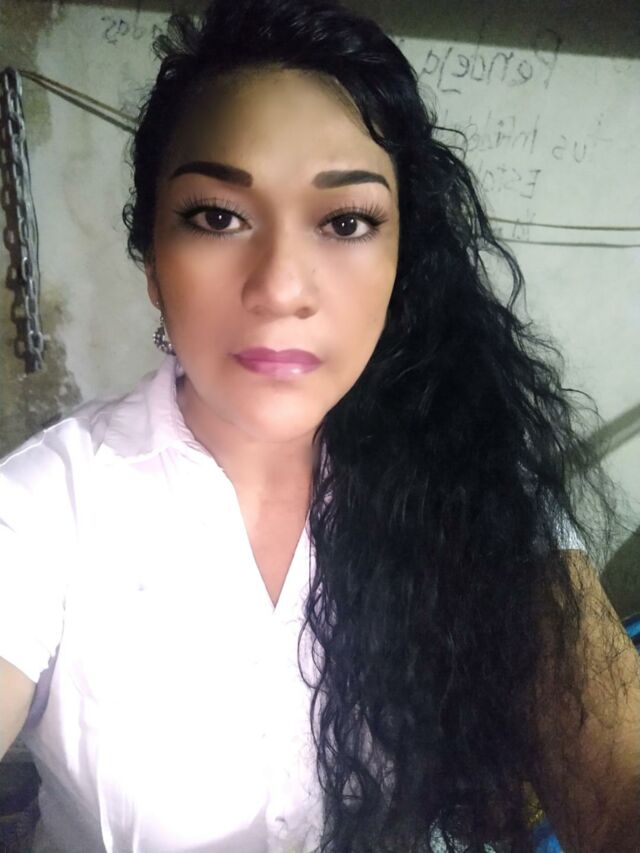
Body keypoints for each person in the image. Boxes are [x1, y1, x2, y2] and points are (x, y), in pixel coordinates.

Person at [0, 0, 638, 851]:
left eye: (345, 222)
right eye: (217, 215)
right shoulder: (45, 508)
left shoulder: (477, 483)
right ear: (153, 261)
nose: (280, 288)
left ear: (401, 259)